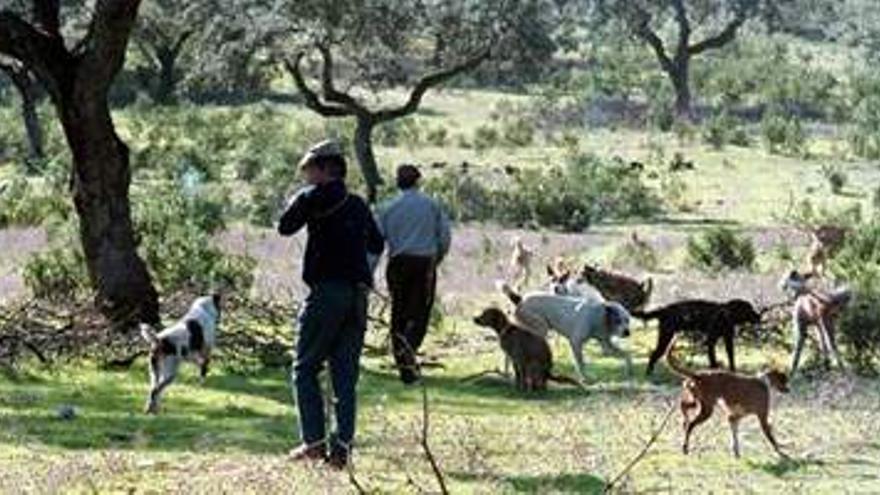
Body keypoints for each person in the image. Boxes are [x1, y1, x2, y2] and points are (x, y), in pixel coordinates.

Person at [278, 140, 384, 469]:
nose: (306, 174)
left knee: (305, 367)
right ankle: (341, 452)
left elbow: (285, 226)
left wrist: (300, 199)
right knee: (344, 376)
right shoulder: (357, 203)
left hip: (326, 294)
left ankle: (313, 443)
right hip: (357, 295)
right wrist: (360, 273)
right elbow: (377, 243)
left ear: (325, 169)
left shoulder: (312, 197)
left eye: (310, 168)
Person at [378, 164, 451, 384]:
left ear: (397, 182)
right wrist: (436, 259)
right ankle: (410, 351)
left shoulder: (388, 207)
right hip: (423, 264)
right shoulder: (431, 205)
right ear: (418, 181)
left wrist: (369, 270)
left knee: (399, 312)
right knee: (420, 312)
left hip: (397, 263)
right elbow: (444, 237)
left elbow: (376, 240)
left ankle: (404, 364)